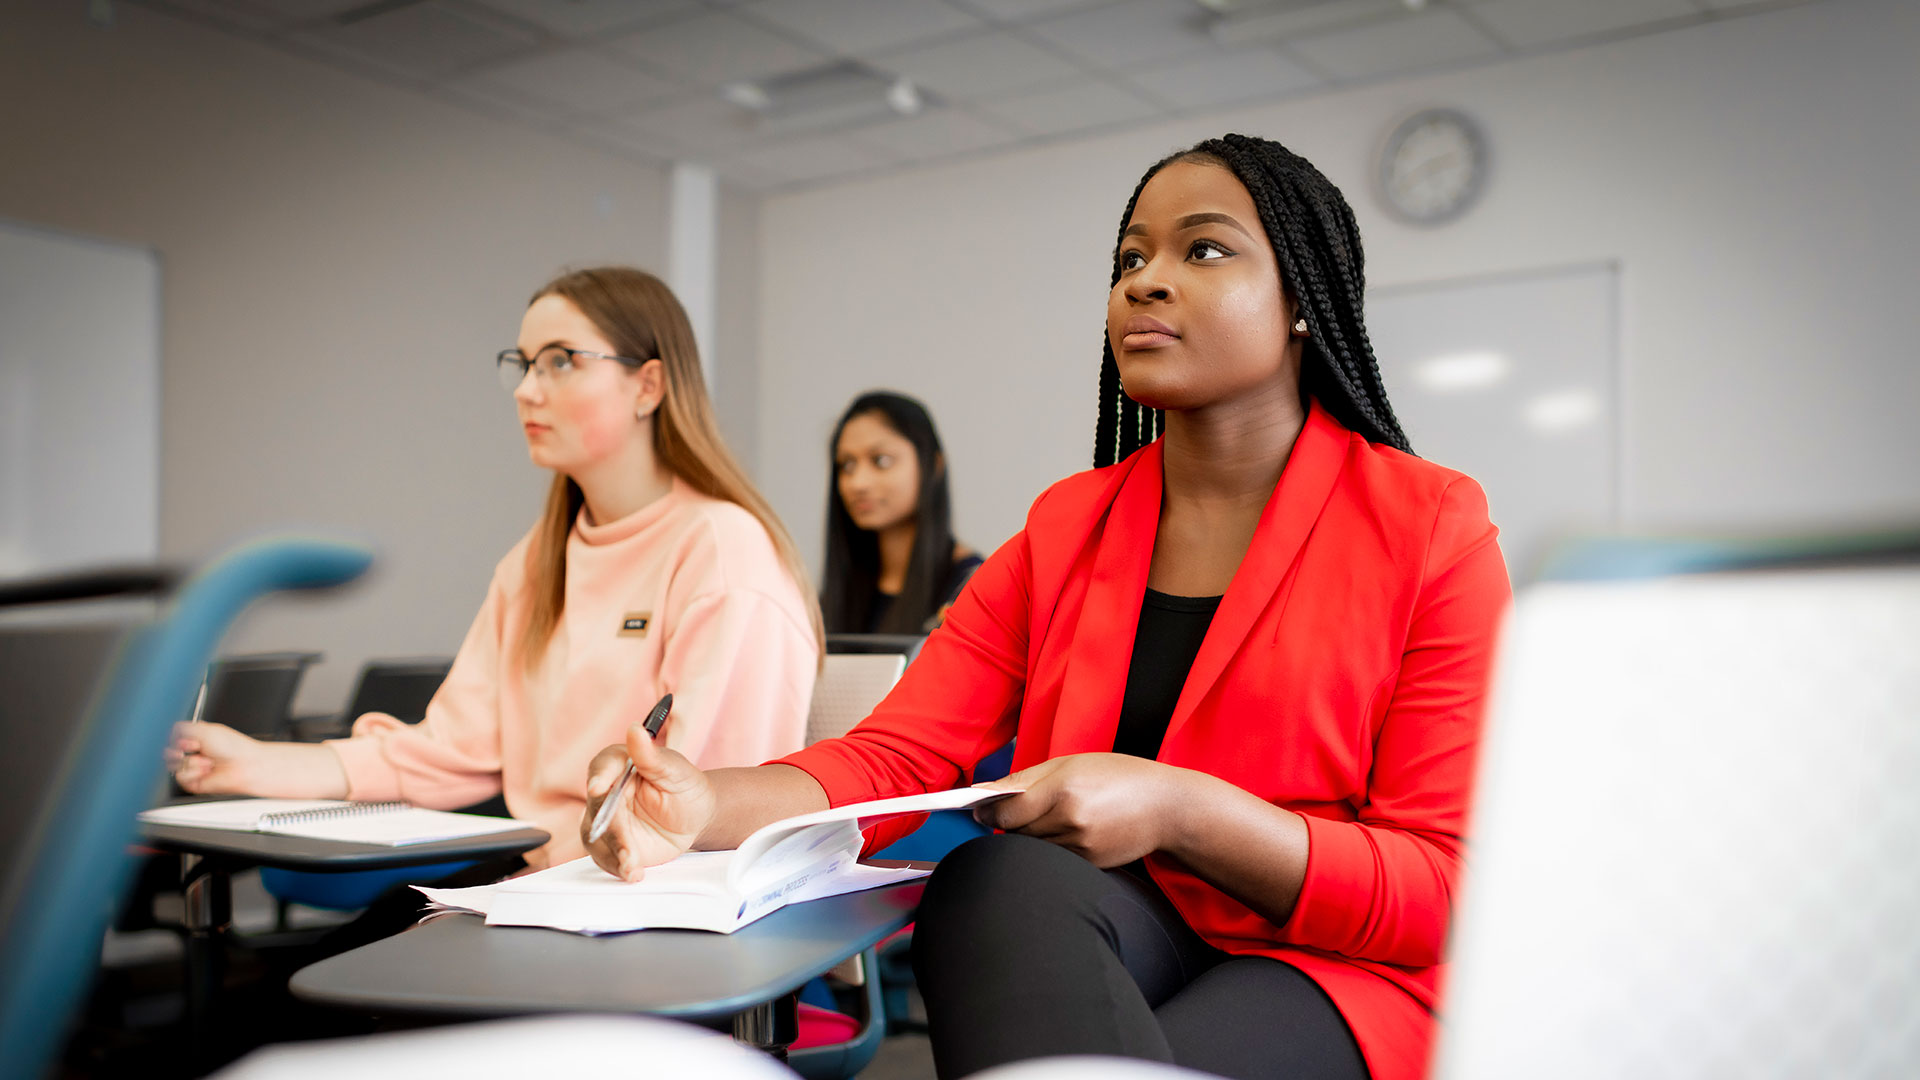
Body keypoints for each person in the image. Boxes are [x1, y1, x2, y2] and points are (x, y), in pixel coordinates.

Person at [581, 135, 1510, 1080]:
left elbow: (1441, 885)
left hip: (1336, 965)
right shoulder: (1070, 526)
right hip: (1112, 930)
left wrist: (1180, 810)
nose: (1147, 281)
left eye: (1204, 250)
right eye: (1131, 258)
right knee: (996, 878)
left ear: (1304, 299)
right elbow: (897, 756)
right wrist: (703, 801)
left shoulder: (1431, 523)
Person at [169, 266, 822, 876]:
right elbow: (446, 754)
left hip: (646, 898)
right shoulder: (535, 564)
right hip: (543, 882)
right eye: (524, 363)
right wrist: (257, 762)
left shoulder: (722, 552)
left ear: (647, 385)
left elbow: (707, 808)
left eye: (561, 361)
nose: (527, 390)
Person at [822, 390, 981, 634]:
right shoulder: (839, 592)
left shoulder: (971, 585)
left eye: (881, 461)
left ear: (934, 466)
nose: (858, 483)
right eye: (847, 465)